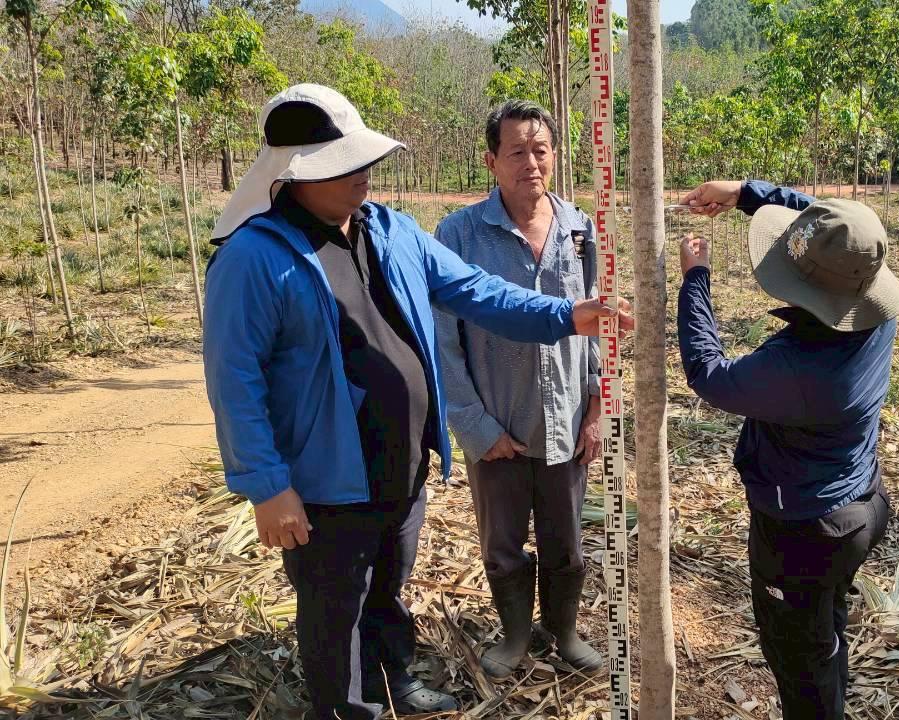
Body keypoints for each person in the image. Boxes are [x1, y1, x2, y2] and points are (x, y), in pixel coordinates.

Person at [202, 84, 630, 720]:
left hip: (401, 464)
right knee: (332, 605)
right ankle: (346, 708)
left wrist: (568, 315)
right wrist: (267, 485)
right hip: (324, 479)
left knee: (387, 586)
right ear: (296, 175)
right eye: (342, 165)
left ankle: (394, 680)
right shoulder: (253, 258)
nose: (362, 174)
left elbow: (483, 294)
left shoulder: (392, 231)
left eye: (362, 160)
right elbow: (234, 380)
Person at [676, 179, 899, 719]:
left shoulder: (802, 368)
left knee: (797, 657)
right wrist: (743, 194)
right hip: (860, 504)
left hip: (805, 533)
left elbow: (709, 374)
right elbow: (833, 230)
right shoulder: (871, 298)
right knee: (826, 631)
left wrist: (695, 281)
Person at [432, 100, 602, 679]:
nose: (532, 162)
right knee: (503, 544)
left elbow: (596, 325)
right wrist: (476, 427)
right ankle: (512, 636)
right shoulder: (459, 234)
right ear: (491, 161)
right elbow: (443, 341)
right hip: (498, 424)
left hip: (565, 420)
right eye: (517, 152)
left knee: (567, 541)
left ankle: (564, 630)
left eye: (541, 150)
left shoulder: (580, 229)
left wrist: (596, 409)